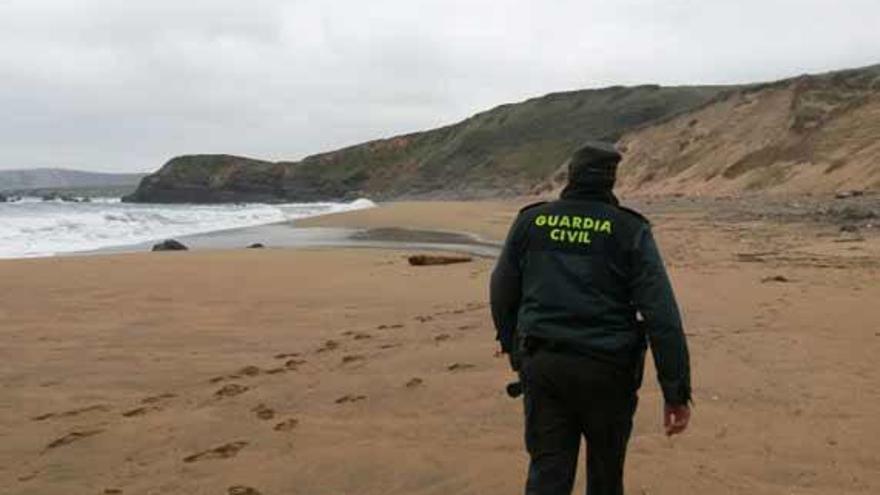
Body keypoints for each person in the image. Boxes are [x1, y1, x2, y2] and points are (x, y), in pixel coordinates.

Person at [490, 141, 692, 495]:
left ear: (571, 176)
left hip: (544, 363)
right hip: (609, 370)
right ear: (611, 181)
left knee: (547, 475)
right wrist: (675, 392)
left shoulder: (531, 221)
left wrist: (513, 348)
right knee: (606, 474)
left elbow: (501, 288)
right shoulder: (629, 229)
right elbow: (662, 314)